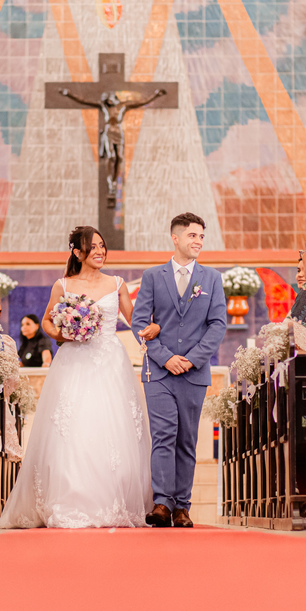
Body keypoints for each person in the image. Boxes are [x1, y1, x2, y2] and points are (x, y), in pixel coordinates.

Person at [0, 226, 157, 528]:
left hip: (111, 363)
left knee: (113, 429)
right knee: (72, 428)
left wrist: (154, 330)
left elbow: (135, 321)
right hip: (74, 361)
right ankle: (71, 498)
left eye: (102, 246)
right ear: (77, 252)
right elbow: (47, 320)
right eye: (93, 247)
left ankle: (112, 499)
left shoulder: (117, 283)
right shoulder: (63, 285)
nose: (100, 251)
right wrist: (66, 332)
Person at [131, 213, 228, 528]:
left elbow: (217, 325)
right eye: (192, 236)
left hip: (194, 372)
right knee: (163, 435)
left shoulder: (211, 278)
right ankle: (162, 503)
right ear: (175, 238)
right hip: (158, 372)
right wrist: (164, 356)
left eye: (201, 236)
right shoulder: (153, 276)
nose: (198, 241)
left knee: (186, 439)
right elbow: (140, 323)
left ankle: (182, 507)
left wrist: (192, 358)